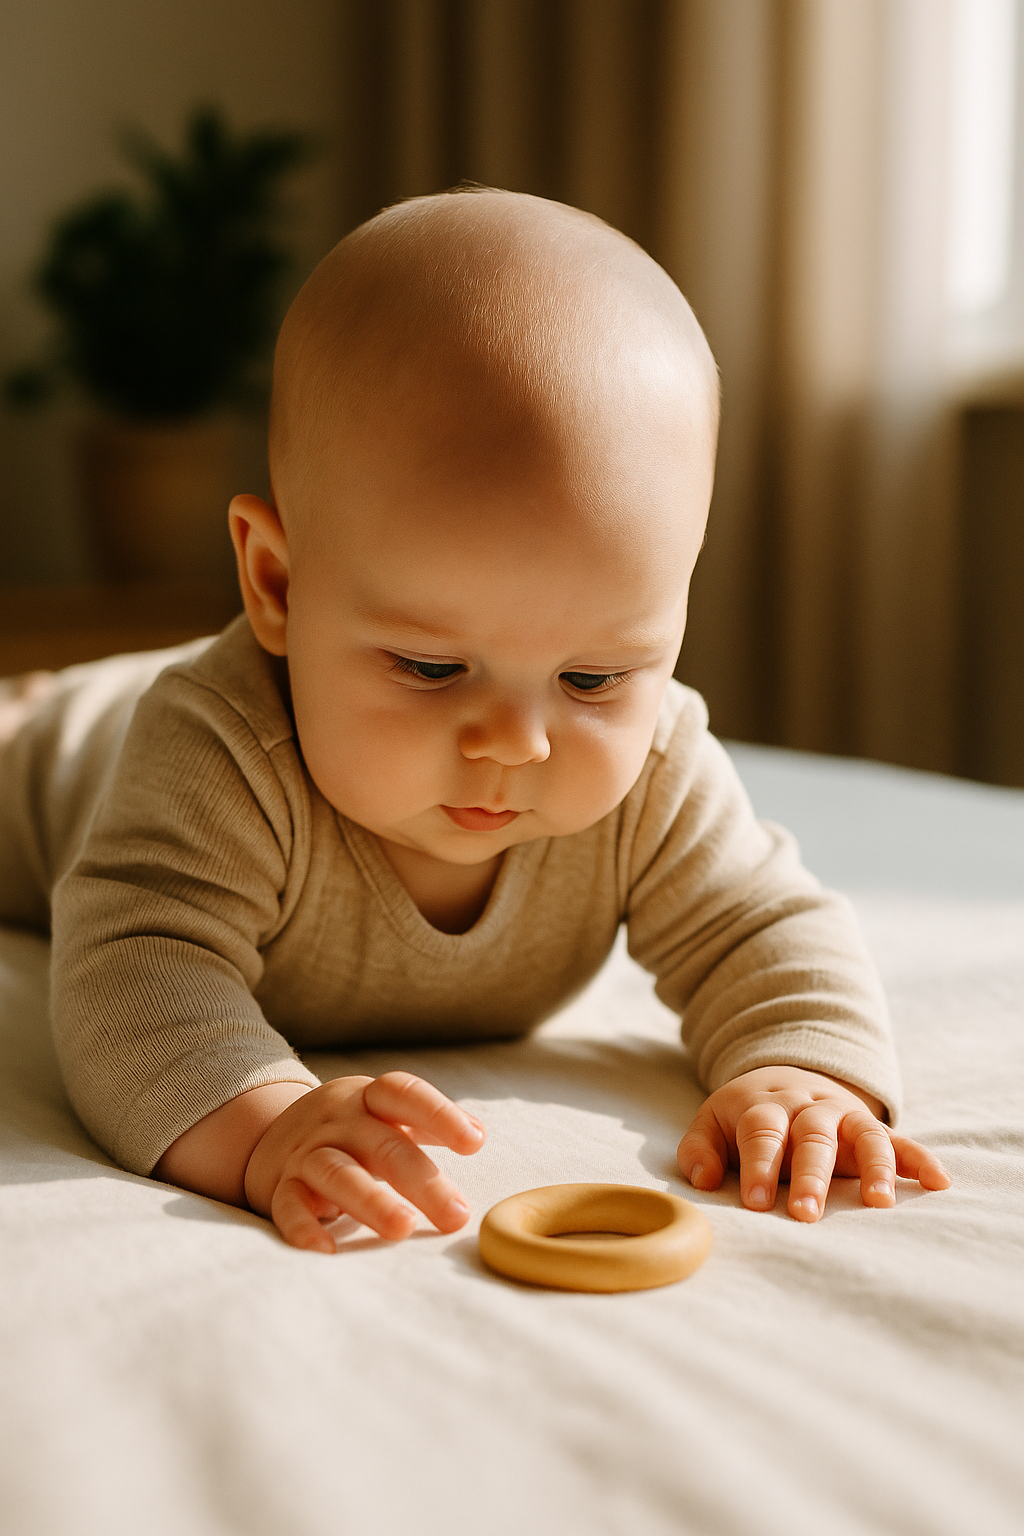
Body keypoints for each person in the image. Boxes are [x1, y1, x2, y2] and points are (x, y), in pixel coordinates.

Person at [0, 189, 949, 1254]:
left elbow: (760, 924)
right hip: (55, 756)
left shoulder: (657, 771)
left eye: (594, 677)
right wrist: (265, 1129)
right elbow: (134, 963)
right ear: (275, 584)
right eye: (431, 665)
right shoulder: (219, 753)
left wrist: (802, 1068)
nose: (516, 740)